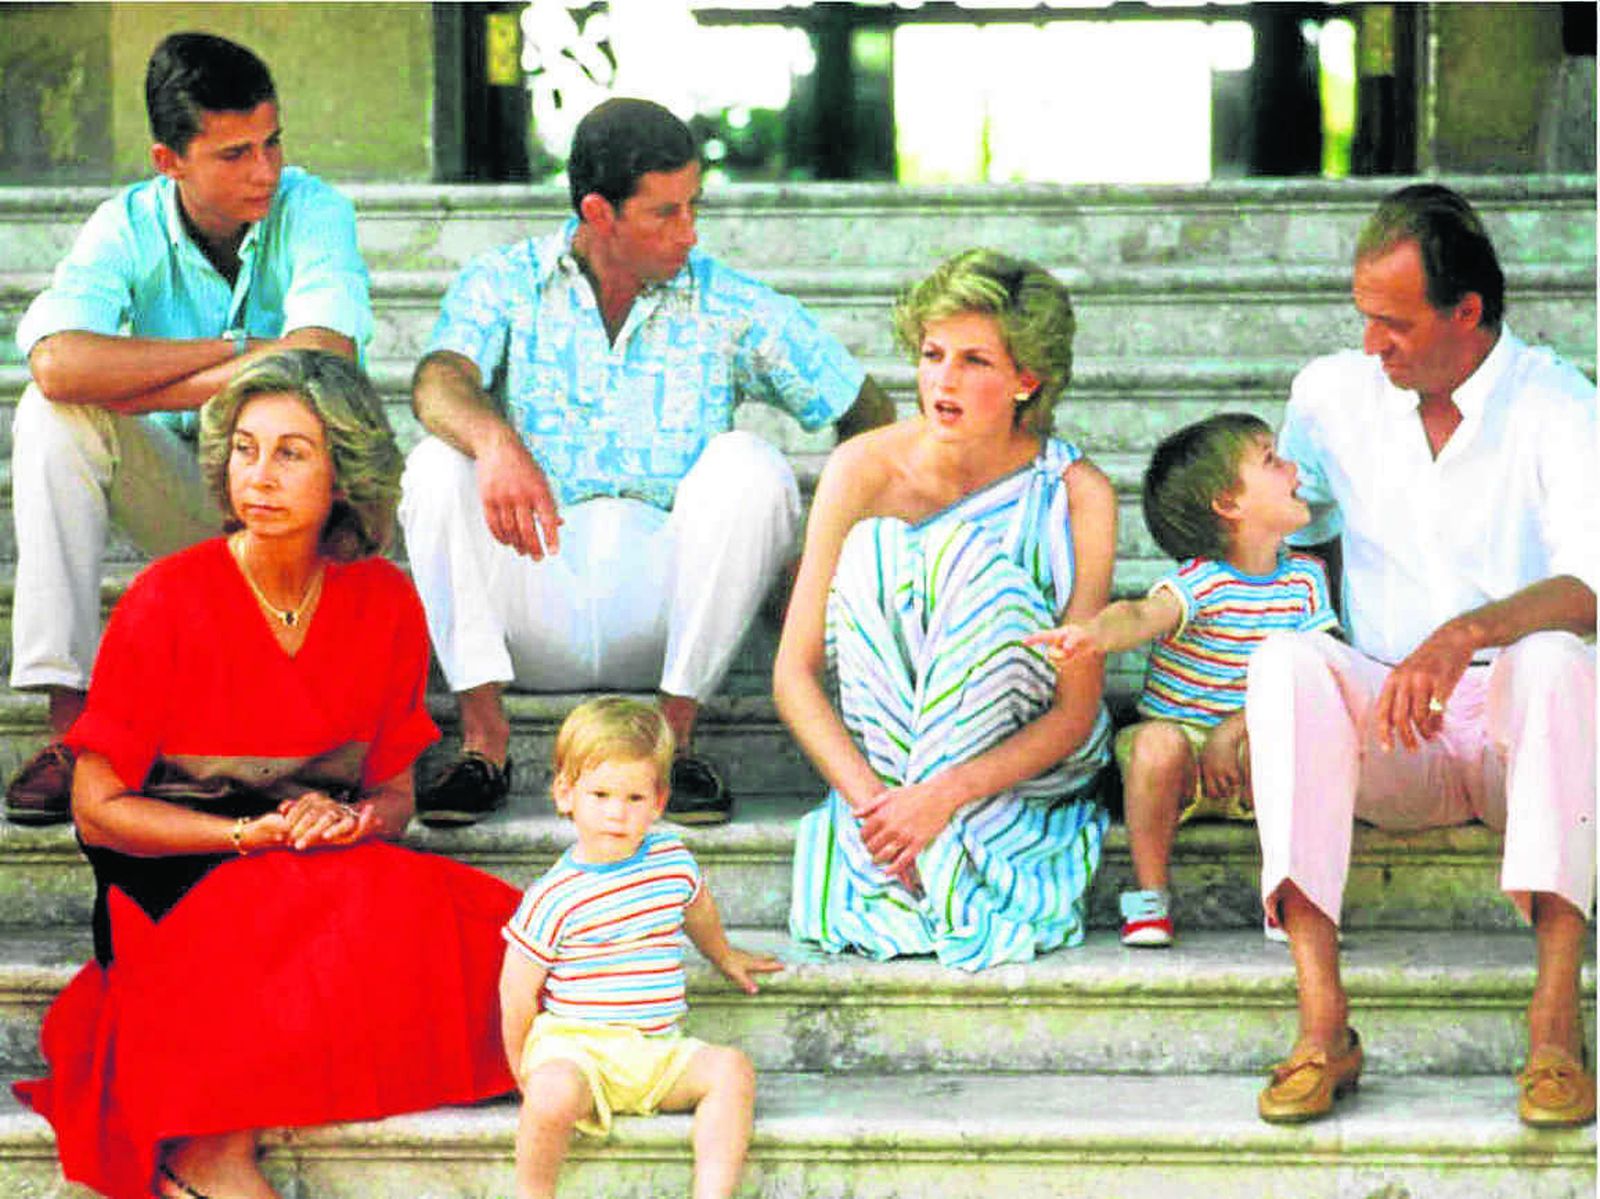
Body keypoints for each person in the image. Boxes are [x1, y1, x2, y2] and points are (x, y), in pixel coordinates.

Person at [13, 351, 521, 1199]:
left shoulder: (385, 603)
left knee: (486, 922)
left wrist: (354, 821)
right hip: (171, 872)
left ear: (344, 472)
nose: (260, 475)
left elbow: (394, 791)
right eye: (245, 449)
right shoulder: (166, 597)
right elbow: (97, 810)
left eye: (291, 453)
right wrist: (247, 834)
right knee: (301, 901)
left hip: (310, 859)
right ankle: (206, 1152)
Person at [400, 96, 891, 829]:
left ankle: (673, 741)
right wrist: (494, 441)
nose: (689, 232)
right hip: (531, 589)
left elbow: (868, 413)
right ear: (600, 213)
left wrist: (821, 556)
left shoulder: (726, 300)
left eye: (693, 206)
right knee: (436, 465)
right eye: (666, 212)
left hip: (670, 609)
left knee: (751, 464)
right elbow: (438, 380)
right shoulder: (505, 282)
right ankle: (484, 743)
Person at [1247, 184, 1596, 1126]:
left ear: (1467, 312)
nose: (1374, 345)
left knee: (1562, 657)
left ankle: (1556, 1028)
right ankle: (1324, 1024)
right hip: (1396, 727)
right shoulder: (1329, 395)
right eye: (1364, 319)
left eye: (1394, 324)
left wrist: (1469, 632)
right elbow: (1285, 532)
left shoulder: (1560, 403)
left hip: (1519, 733)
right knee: (1283, 663)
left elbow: (1590, 586)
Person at [5, 31, 371, 826]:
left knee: (301, 407)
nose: (265, 171)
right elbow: (60, 365)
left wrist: (145, 380)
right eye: (234, 154)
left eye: (272, 142)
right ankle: (72, 726)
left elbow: (324, 359)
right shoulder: (123, 225)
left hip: (312, 523)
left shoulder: (312, 209)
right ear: (169, 161)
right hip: (198, 496)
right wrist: (242, 352)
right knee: (52, 416)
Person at [776, 248, 1116, 972]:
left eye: (975, 361)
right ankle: (921, 852)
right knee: (875, 557)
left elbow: (1075, 712)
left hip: (1020, 759)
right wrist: (880, 810)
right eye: (932, 354)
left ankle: (933, 847)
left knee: (969, 567)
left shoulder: (1079, 493)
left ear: (1027, 379)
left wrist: (943, 795)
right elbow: (795, 674)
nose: (942, 380)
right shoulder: (861, 469)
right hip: (887, 771)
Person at [1025, 413, 1337, 948]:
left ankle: (1289, 891)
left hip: (1253, 752)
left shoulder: (1306, 579)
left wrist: (1236, 731)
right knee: (1155, 743)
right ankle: (1150, 896)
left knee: (1305, 736)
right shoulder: (1200, 583)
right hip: (1181, 757)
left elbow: (1319, 670)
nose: (1293, 468)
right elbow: (1141, 616)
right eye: (1271, 460)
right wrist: (1093, 634)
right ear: (1228, 504)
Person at [500, 695, 780, 1199]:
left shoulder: (672, 861)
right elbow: (517, 990)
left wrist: (723, 954)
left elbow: (698, 909)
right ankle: (532, 1192)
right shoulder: (553, 895)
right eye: (601, 795)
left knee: (731, 1070)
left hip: (655, 1051)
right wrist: (524, 1067)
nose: (616, 813)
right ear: (566, 794)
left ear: (659, 802)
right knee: (552, 1091)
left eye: (633, 799)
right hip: (579, 1048)